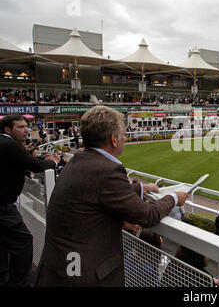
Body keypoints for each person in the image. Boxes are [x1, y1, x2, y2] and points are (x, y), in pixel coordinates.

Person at [35, 106, 189, 287]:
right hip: (84, 274)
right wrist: (172, 197)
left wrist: (139, 188)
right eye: (123, 134)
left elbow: (94, 195)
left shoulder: (78, 160)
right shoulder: (108, 170)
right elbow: (147, 215)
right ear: (114, 140)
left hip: (59, 266)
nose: (126, 138)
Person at [0, 114, 60, 287]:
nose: (26, 130)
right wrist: (53, 163)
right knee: (23, 241)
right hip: (3, 207)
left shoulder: (6, 144)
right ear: (7, 129)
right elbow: (36, 166)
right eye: (20, 127)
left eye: (26, 126)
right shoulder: (10, 144)